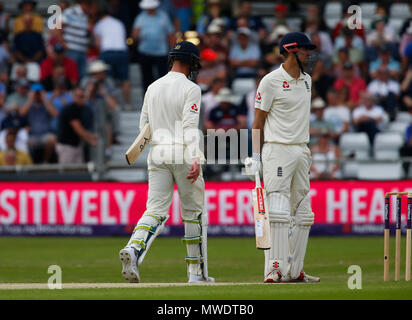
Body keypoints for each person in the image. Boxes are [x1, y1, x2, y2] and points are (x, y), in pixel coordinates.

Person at [119, 41, 214, 284]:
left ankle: (134, 248)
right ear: (192, 63)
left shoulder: (152, 87)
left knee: (155, 211)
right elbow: (190, 125)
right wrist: (195, 157)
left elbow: (144, 128)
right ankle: (196, 273)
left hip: (157, 152)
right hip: (182, 151)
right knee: (193, 212)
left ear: (172, 60)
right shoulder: (191, 88)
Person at [245, 32, 319, 283]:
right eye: (304, 50)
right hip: (277, 150)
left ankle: (294, 270)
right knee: (277, 212)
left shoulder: (308, 80)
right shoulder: (270, 81)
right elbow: (258, 121)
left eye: (310, 50)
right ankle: (274, 269)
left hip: (301, 151)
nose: (309, 54)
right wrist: (255, 155)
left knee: (304, 214)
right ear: (289, 51)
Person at [132, 0, 175, 92]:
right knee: (147, 79)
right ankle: (147, 100)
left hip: (161, 52)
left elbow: (170, 35)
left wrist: (172, 52)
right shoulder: (141, 17)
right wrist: (136, 34)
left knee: (163, 78)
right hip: (145, 52)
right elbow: (134, 36)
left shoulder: (163, 16)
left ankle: (164, 98)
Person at [93, 9, 131, 110]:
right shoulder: (119, 23)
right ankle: (127, 104)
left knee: (108, 79)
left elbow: (98, 44)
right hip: (122, 52)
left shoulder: (99, 25)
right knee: (125, 79)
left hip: (107, 53)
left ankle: (113, 104)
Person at [18, 83, 57, 163]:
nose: (37, 95)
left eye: (38, 93)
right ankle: (31, 163)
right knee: (24, 142)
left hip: (45, 135)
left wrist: (44, 99)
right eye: (35, 93)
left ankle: (45, 161)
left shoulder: (47, 104)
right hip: (32, 135)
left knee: (52, 140)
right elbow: (21, 113)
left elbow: (55, 114)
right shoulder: (29, 104)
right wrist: (30, 98)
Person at [56, 87, 97, 164]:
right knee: (67, 172)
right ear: (74, 97)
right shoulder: (71, 109)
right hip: (67, 147)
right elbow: (78, 129)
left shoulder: (83, 109)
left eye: (83, 96)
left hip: (76, 146)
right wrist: (90, 139)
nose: (81, 99)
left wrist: (90, 136)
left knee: (79, 172)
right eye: (79, 96)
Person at [60, 0, 93, 79]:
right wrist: (63, 43)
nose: (90, 7)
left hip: (82, 50)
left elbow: (85, 34)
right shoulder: (70, 12)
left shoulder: (86, 16)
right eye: (89, 4)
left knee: (83, 75)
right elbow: (58, 27)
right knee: (72, 75)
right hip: (71, 49)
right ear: (83, 3)